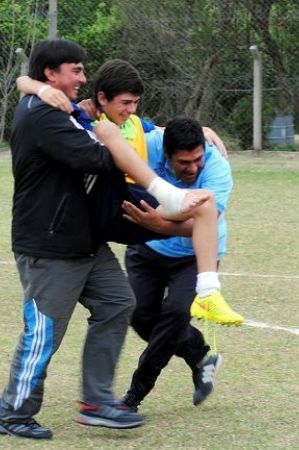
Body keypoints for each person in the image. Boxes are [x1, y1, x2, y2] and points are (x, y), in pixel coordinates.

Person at [0, 39, 211, 439]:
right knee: (45, 330)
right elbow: (97, 157)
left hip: (85, 242)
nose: (83, 76)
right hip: (50, 246)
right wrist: (115, 143)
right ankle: (12, 411)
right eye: (75, 70)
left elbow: (119, 140)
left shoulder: (60, 108)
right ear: (51, 74)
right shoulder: (43, 115)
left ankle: (96, 402)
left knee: (118, 302)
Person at [17, 60, 243, 326]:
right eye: (125, 102)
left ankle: (208, 292)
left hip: (136, 199)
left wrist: (199, 130)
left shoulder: (136, 123)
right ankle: (165, 195)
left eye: (135, 102)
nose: (131, 109)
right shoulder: (86, 116)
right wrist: (39, 88)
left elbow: (163, 132)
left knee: (206, 204)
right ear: (102, 98)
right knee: (107, 131)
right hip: (109, 201)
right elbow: (23, 84)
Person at [119, 117, 232, 412]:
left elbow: (200, 223)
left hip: (195, 255)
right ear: (166, 153)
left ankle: (134, 395)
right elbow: (128, 127)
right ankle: (198, 354)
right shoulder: (151, 145)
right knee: (140, 316)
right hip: (146, 249)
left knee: (176, 314)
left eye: (197, 160)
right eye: (184, 162)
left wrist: (157, 222)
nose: (193, 168)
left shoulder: (217, 167)